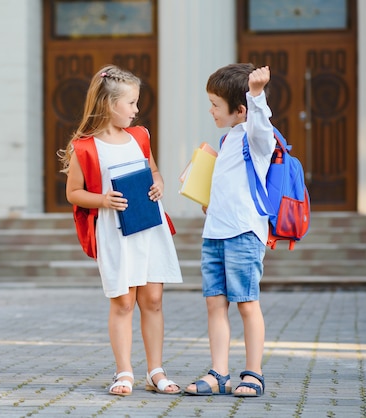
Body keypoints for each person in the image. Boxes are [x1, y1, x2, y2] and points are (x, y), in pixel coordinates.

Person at [58, 64, 183, 396]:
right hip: (115, 230)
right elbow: (73, 193)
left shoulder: (140, 136)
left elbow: (153, 171)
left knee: (153, 299)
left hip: (148, 225)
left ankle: (155, 371)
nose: (137, 110)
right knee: (124, 303)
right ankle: (124, 371)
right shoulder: (84, 147)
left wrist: (158, 184)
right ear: (108, 105)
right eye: (131, 103)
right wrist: (102, 199)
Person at [184, 63, 275, 397]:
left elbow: (261, 126)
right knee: (215, 304)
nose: (210, 110)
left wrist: (256, 94)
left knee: (247, 303)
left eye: (215, 105)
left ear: (239, 110)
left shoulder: (256, 137)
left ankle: (253, 373)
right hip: (215, 234)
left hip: (243, 235)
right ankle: (219, 373)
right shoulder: (227, 140)